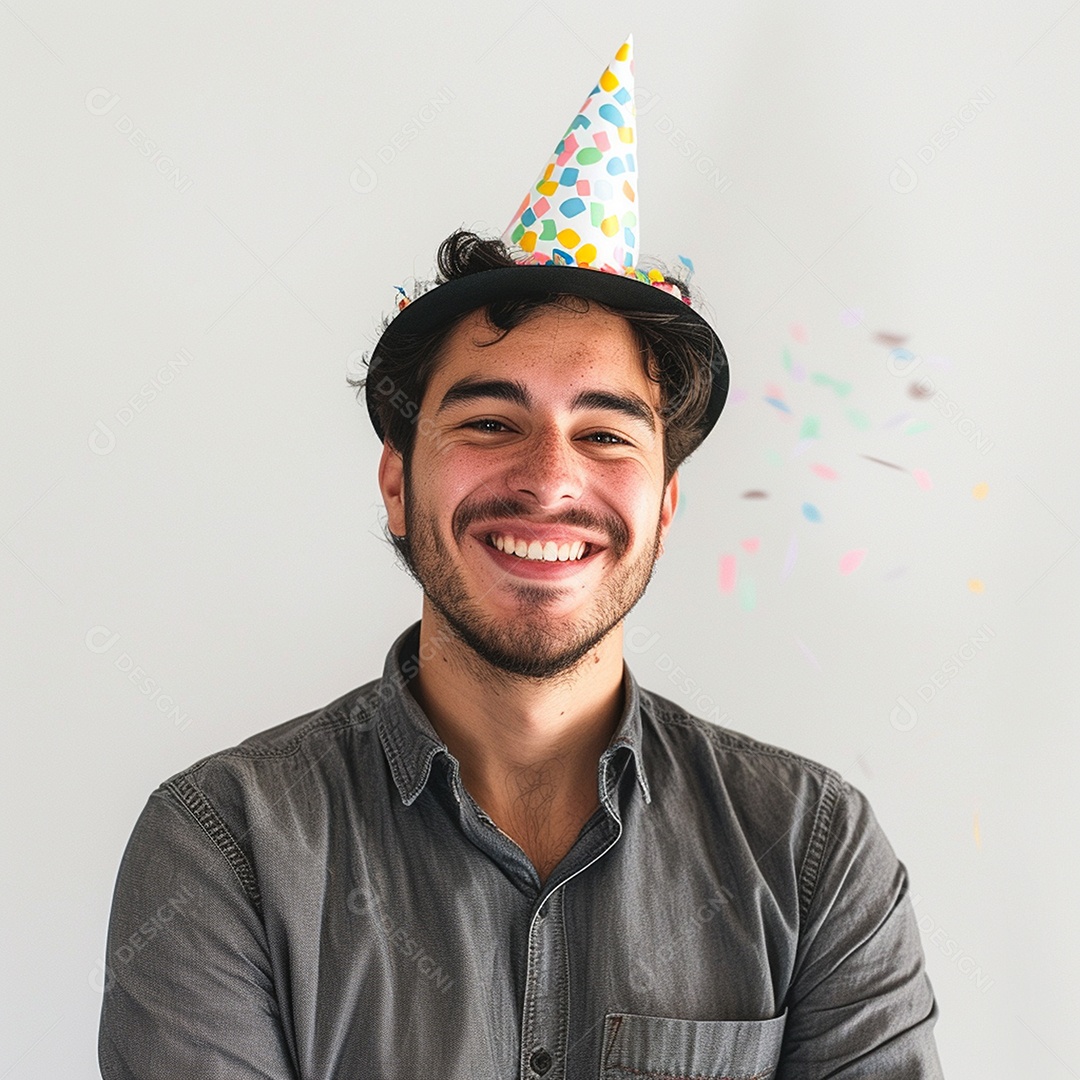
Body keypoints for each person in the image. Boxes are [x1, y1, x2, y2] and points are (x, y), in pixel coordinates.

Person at [98, 38, 943, 1079]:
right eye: (491, 423)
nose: (550, 480)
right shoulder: (223, 849)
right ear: (399, 482)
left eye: (605, 434)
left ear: (666, 503)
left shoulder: (814, 856)